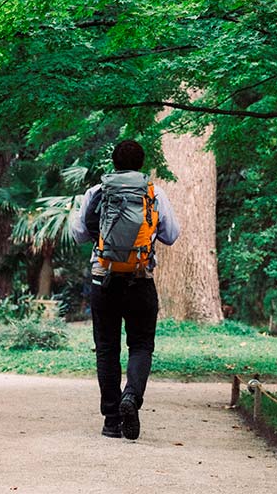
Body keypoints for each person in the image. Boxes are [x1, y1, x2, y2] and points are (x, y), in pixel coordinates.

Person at [71, 140, 180, 440]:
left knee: (107, 349)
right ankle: (131, 396)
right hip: (140, 280)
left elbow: (79, 234)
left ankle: (111, 420)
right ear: (141, 163)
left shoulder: (96, 192)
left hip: (103, 281)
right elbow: (171, 235)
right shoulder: (154, 193)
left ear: (114, 162)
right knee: (141, 346)